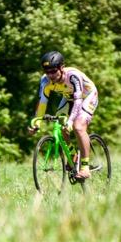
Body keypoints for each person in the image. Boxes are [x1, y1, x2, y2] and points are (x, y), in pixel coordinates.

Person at [28, 51, 98, 179]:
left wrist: (71, 121)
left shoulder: (72, 76)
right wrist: (37, 124)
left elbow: (78, 102)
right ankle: (72, 155)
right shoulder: (45, 81)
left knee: (78, 127)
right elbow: (42, 103)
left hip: (86, 96)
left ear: (61, 67)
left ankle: (85, 167)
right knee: (60, 123)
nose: (50, 75)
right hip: (69, 97)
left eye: (53, 71)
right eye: (46, 71)